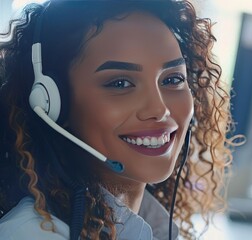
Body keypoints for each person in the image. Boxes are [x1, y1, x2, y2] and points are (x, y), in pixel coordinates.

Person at [0, 0, 235, 239]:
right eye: (120, 83)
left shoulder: (151, 227)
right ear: (52, 103)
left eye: (172, 79)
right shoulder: (32, 234)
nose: (159, 109)